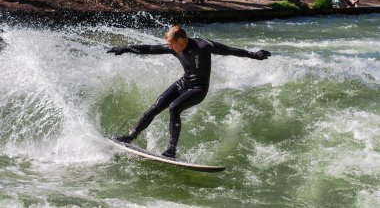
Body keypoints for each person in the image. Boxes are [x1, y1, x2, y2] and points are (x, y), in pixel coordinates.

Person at [107, 26, 271, 158]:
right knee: (157, 105)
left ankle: (171, 150)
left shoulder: (203, 46)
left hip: (198, 89)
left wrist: (255, 55)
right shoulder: (174, 48)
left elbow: (228, 50)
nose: (170, 47)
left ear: (181, 39)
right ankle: (131, 136)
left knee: (174, 107)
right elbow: (150, 48)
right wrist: (126, 48)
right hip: (183, 83)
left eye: (172, 43)